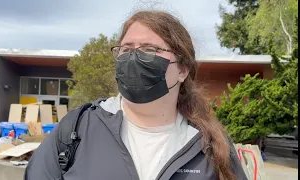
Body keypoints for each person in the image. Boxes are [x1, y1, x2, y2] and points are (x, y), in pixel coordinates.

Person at [24, 10, 247, 180]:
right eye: (127, 49)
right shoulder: (78, 127)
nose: (134, 58)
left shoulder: (210, 144)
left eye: (149, 50)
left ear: (182, 70)